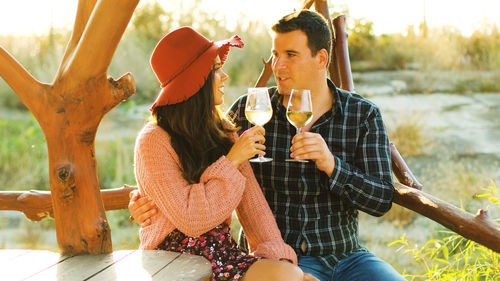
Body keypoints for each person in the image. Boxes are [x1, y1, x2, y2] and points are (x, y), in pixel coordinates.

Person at [131, 11, 406, 281]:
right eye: (275, 54)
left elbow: (381, 199)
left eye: (291, 55)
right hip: (268, 257)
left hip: (347, 256)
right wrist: (145, 200)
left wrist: (332, 166)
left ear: (321, 58)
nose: (277, 65)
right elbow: (182, 172)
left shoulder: (362, 115)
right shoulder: (250, 112)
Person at [135, 26, 317, 281]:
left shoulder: (224, 132)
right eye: (216, 70)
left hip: (222, 255)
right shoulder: (153, 140)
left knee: (294, 276)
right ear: (196, 80)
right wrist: (232, 160)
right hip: (170, 261)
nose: (225, 77)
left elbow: (253, 206)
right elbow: (191, 220)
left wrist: (281, 260)